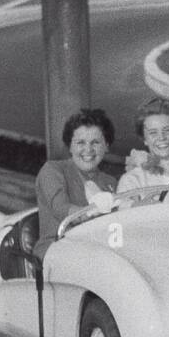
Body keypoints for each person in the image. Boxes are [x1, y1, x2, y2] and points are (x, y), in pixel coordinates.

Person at [34, 108, 117, 259]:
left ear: (107, 145)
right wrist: (94, 211)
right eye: (80, 142)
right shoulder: (53, 171)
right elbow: (61, 208)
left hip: (99, 253)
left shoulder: (110, 182)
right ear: (70, 146)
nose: (88, 149)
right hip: (56, 251)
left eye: (96, 142)